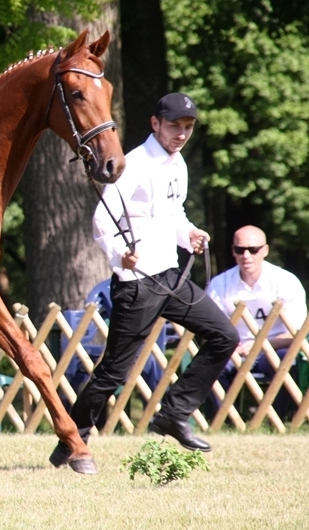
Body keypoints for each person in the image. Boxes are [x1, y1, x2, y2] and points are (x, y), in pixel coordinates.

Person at [50, 92, 239, 467]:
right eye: (174, 126)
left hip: (171, 276)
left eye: (187, 127)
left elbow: (174, 214)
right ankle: (74, 438)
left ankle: (174, 413)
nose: (181, 134)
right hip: (137, 283)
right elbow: (101, 221)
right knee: (114, 372)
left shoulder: (177, 163)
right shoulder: (134, 164)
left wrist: (190, 234)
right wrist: (121, 255)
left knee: (225, 336)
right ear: (155, 124)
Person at [207, 225, 307, 416]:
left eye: (253, 250)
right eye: (240, 249)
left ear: (265, 250)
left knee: (286, 360)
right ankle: (223, 419)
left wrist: (260, 345)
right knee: (211, 361)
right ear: (233, 251)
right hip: (234, 348)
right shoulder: (219, 284)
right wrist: (230, 346)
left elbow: (298, 332)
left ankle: (278, 418)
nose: (246, 255)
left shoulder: (286, 281)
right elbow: (211, 329)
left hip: (276, 347)